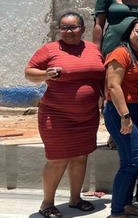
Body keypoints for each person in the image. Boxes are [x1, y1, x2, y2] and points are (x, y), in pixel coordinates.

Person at [25, 12, 105, 218]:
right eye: (64, 28)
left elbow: (100, 77)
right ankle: (47, 204)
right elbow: (29, 72)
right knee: (58, 159)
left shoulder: (93, 49)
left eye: (73, 27)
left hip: (87, 116)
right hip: (56, 115)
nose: (69, 31)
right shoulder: (50, 49)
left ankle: (75, 198)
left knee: (80, 156)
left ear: (83, 29)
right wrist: (45, 74)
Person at [104, 18, 138, 218]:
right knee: (130, 162)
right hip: (122, 112)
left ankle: (126, 205)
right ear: (130, 32)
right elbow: (113, 86)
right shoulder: (121, 53)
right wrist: (125, 116)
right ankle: (117, 211)